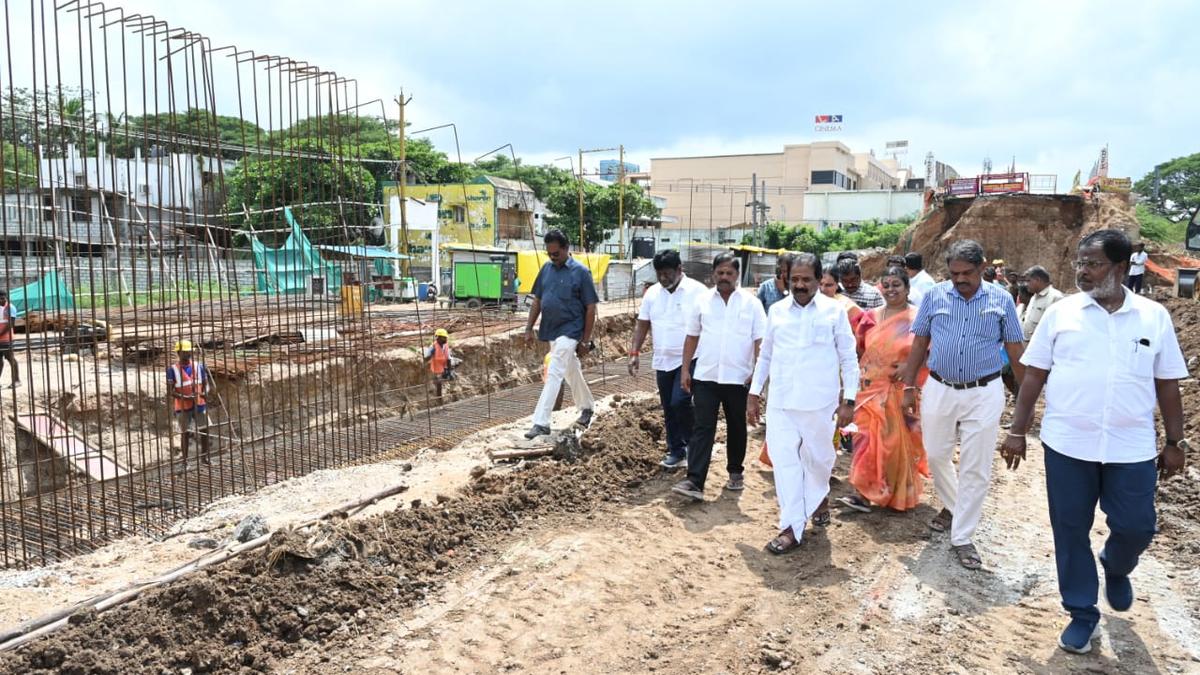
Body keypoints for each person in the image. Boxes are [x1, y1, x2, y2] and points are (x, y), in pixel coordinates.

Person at [1002, 229, 1188, 655]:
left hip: (1132, 447)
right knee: (1070, 530)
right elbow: (1033, 376)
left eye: (1093, 264)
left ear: (1120, 268)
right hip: (1068, 444)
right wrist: (1016, 431)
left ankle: (1117, 567)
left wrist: (1175, 441)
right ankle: (1082, 612)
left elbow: (1168, 383)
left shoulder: (1152, 316)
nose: (1082, 272)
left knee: (1137, 526)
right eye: (1080, 264)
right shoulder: (1062, 313)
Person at [899, 239, 1025, 570]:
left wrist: (1027, 399)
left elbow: (1015, 350)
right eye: (954, 273)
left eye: (967, 273)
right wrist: (909, 386)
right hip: (940, 387)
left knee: (976, 465)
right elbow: (919, 343)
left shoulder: (1002, 300)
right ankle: (956, 505)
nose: (959, 280)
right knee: (937, 453)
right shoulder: (935, 295)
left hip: (984, 392)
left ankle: (963, 536)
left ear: (983, 268)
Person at [748, 253, 858, 553]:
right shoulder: (777, 311)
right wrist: (754, 393)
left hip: (820, 405)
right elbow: (766, 355)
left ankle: (818, 499)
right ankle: (791, 527)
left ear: (818, 280)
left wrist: (849, 400)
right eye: (794, 279)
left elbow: (849, 358)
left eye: (806, 279)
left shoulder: (834, 313)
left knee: (820, 463)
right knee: (785, 465)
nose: (799, 285)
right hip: (782, 402)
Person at [671, 252, 766, 500]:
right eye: (720, 273)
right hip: (706, 376)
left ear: (737, 275)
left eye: (729, 273)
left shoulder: (751, 304)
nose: (724, 277)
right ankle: (694, 481)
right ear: (714, 274)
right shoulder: (702, 301)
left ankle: (735, 471)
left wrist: (757, 375)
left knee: (737, 426)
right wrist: (684, 370)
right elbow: (692, 336)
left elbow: (760, 341)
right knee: (703, 427)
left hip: (739, 378)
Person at [839, 266, 929, 513]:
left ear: (907, 288)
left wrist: (911, 365)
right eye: (886, 285)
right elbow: (858, 348)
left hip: (898, 389)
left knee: (891, 444)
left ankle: (892, 491)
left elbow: (930, 351)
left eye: (896, 285)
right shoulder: (870, 317)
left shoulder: (918, 318)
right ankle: (862, 492)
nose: (890, 290)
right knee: (864, 439)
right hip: (868, 388)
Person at [629, 249, 708, 469]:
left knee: (680, 401)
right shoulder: (652, 294)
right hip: (663, 359)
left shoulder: (698, 292)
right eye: (659, 274)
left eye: (667, 274)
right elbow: (642, 324)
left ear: (679, 269)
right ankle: (676, 450)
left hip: (691, 358)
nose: (663, 278)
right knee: (668, 406)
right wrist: (634, 353)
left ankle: (694, 446)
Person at [523, 229, 599, 439]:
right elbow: (537, 300)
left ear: (566, 249)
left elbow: (591, 307)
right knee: (570, 369)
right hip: (552, 329)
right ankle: (587, 407)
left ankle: (541, 422)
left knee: (555, 369)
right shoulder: (546, 269)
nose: (552, 257)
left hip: (571, 329)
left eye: (556, 253)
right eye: (549, 253)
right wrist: (528, 328)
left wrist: (585, 339)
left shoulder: (581, 272)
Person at [167, 340, 213, 466]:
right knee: (185, 433)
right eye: (185, 352)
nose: (188, 354)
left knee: (205, 430)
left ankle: (204, 457)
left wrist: (205, 392)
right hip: (182, 407)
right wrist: (186, 397)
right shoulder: (172, 370)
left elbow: (205, 384)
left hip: (199, 404)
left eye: (189, 351)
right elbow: (171, 391)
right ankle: (185, 461)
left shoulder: (199, 366)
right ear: (178, 352)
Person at [1020, 266, 1064, 341]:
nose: (1026, 284)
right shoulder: (1034, 297)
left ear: (1038, 280)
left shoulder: (1056, 297)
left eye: (1028, 281)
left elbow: (1057, 328)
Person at [423, 328, 456, 400]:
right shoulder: (433, 346)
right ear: (438, 338)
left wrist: (449, 371)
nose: (446, 339)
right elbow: (426, 357)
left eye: (446, 337)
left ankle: (452, 393)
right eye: (444, 338)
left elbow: (448, 358)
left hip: (444, 366)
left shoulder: (445, 345)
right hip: (436, 368)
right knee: (439, 383)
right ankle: (439, 398)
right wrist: (430, 353)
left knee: (452, 376)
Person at [0, 290, 20, 388]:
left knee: (10, 358)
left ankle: (16, 380)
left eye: (2, 299)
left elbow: (11, 324)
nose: (1, 301)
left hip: (7, 339)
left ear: (5, 298)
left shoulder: (10, 308)